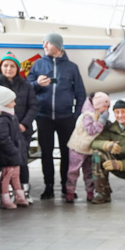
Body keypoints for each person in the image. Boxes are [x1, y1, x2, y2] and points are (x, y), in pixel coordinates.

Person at [28, 32, 87, 200]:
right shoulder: (38, 65)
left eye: (47, 43)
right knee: (46, 153)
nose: (44, 46)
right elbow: (27, 89)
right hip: (43, 117)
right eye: (43, 42)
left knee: (67, 153)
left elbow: (80, 94)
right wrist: (36, 84)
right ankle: (48, 187)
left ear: (58, 45)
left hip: (65, 118)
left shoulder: (71, 67)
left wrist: (76, 116)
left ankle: (66, 187)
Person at [0, 52, 38, 203]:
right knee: (6, 162)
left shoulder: (26, 85)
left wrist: (24, 124)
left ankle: (24, 191)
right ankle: (8, 192)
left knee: (22, 159)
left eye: (12, 66)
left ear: (17, 69)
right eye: (5, 66)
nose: (9, 69)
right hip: (2, 131)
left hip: (22, 131)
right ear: (0, 67)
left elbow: (33, 106)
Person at [0, 82, 29, 209]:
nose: (15, 103)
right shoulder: (1, 119)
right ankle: (5, 198)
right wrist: (14, 150)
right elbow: (4, 138)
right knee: (6, 176)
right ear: (4, 102)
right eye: (12, 101)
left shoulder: (10, 116)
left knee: (15, 175)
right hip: (7, 153)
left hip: (14, 152)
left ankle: (20, 197)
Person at [66, 92, 110, 203]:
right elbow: (91, 131)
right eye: (104, 107)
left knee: (89, 172)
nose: (106, 109)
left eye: (108, 107)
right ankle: (70, 192)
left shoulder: (97, 115)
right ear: (97, 105)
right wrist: (101, 122)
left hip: (88, 149)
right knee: (73, 171)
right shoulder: (87, 116)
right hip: (78, 148)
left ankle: (90, 192)